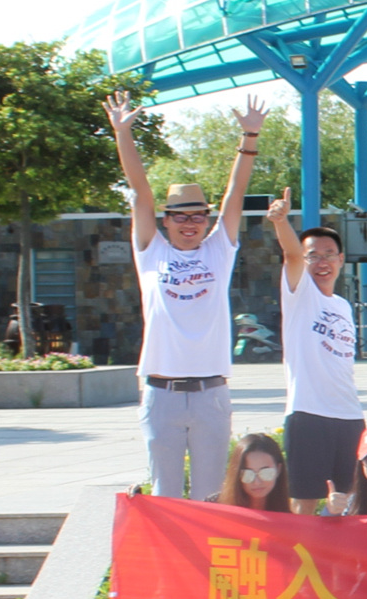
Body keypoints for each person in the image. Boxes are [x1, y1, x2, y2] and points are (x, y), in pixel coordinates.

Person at [108, 90, 265, 501]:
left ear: (207, 220)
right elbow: (140, 190)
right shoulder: (152, 251)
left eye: (198, 215)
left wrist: (249, 137)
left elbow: (235, 193)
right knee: (166, 495)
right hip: (161, 393)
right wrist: (122, 133)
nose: (190, 223)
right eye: (180, 216)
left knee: (210, 497)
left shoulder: (218, 251)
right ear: (166, 220)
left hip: (211, 393)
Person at [266, 188, 362, 513]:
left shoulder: (344, 306)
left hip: (349, 416)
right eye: (313, 256)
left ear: (341, 260)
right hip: (308, 415)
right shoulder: (300, 294)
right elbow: (292, 256)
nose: (322, 262)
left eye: (329, 254)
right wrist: (281, 222)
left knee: (350, 505)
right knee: (304, 506)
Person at [216, 431, 292, 513]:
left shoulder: (287, 516)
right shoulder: (214, 508)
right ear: (236, 474)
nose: (257, 482)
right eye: (248, 474)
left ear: (278, 469)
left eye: (265, 472)